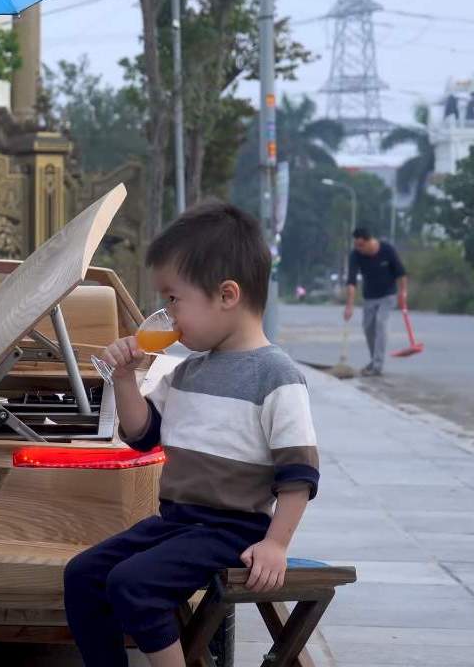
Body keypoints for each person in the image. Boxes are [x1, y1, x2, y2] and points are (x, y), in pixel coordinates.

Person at [67, 202, 319, 667]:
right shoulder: (185, 371)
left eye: (173, 300)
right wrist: (124, 379)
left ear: (227, 295)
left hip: (231, 528)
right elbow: (144, 435)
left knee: (133, 584)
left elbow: (298, 474)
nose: (167, 315)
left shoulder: (276, 376)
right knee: (83, 575)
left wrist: (276, 543)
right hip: (177, 524)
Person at [343, 227, 408, 376]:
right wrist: (349, 306)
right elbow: (351, 282)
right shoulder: (356, 255)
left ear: (369, 241)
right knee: (368, 328)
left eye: (361, 245)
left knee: (380, 323)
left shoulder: (387, 250)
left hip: (388, 296)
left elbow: (401, 273)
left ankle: (377, 365)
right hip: (369, 298)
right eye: (356, 245)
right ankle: (374, 360)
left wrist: (403, 293)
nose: (358, 248)